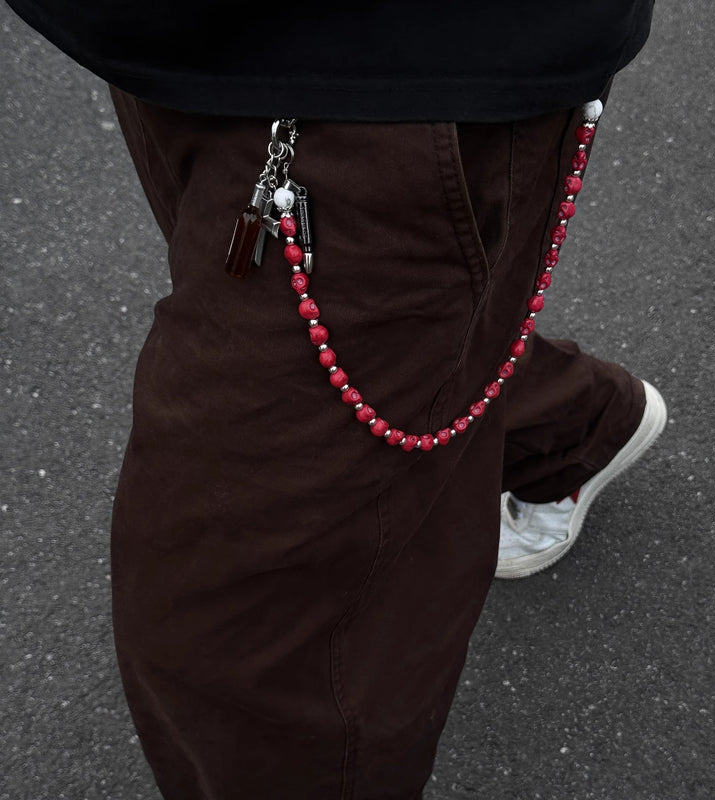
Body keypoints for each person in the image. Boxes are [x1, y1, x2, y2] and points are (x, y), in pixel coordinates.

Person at [6, 1, 663, 797]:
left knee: (239, 638)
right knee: (379, 359)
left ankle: (568, 428)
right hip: (163, 45)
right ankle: (569, 428)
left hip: (380, 71)